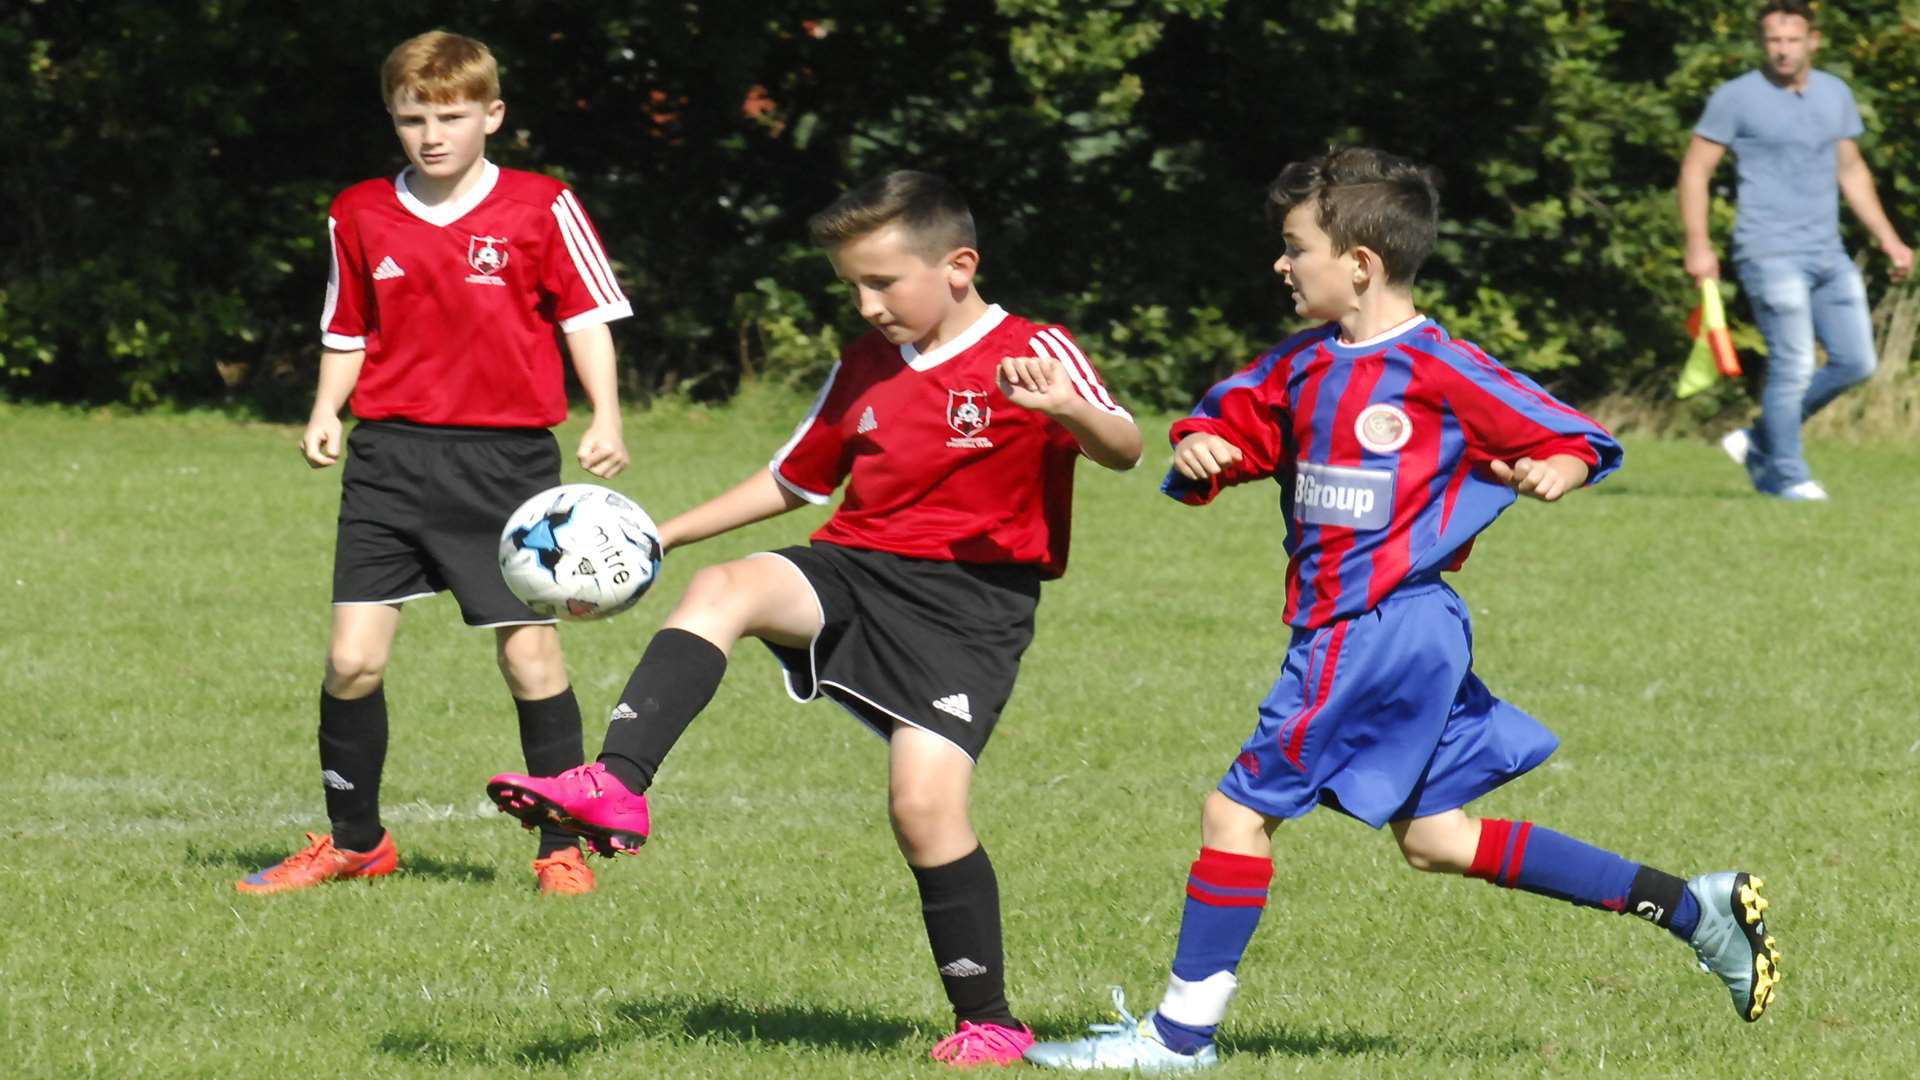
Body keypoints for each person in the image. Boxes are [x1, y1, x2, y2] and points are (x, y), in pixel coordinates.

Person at [1023, 147, 1782, 1073]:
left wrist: (1561, 465)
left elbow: (1574, 434)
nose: (1281, 263)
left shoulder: (1441, 367)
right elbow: (1233, 417)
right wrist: (1204, 447)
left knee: (1234, 815)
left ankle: (1178, 1040)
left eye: (1294, 246)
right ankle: (1693, 907)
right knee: (1437, 839)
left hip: (1372, 626)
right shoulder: (1303, 364)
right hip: (1399, 636)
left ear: (1360, 264)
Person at [485, 169, 1142, 1067]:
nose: (868, 304)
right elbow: (796, 478)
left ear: (959, 266)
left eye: (883, 282)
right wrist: (656, 538)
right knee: (726, 586)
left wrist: (1067, 408)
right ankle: (616, 783)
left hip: (969, 608)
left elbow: (1124, 446)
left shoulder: (1034, 348)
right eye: (853, 287)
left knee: (924, 809)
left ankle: (988, 1018)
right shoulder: (865, 362)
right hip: (853, 566)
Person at [236, 30, 633, 897]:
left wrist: (605, 412)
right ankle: (356, 842)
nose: (433, 135)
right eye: (414, 117)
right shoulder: (360, 210)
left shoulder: (542, 206)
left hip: (508, 467)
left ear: (492, 114)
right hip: (390, 462)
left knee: (531, 661)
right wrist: (324, 411)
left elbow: (586, 317)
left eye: (452, 116)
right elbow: (348, 326)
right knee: (352, 662)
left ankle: (559, 846)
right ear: (393, 116)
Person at [1678, 0, 1913, 502]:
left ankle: (1760, 439)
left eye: (1791, 40)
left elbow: (1850, 171)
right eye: (1772, 40)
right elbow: (1696, 170)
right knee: (1794, 362)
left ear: (1813, 41)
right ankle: (1784, 475)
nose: (1782, 50)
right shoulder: (1736, 97)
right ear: (1762, 43)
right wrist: (1699, 246)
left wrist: (1888, 238)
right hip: (1767, 251)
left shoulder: (1835, 93)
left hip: (1828, 251)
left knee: (1855, 362)